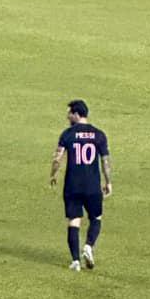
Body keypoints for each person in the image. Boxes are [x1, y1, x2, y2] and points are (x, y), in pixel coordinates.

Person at [50, 99, 112, 272]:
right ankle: (88, 246)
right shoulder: (99, 135)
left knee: (74, 221)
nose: (67, 116)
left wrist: (53, 174)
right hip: (92, 185)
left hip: (72, 185)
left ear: (76, 114)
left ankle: (75, 261)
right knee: (96, 218)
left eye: (69, 113)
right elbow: (105, 161)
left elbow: (57, 158)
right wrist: (108, 182)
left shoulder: (68, 134)